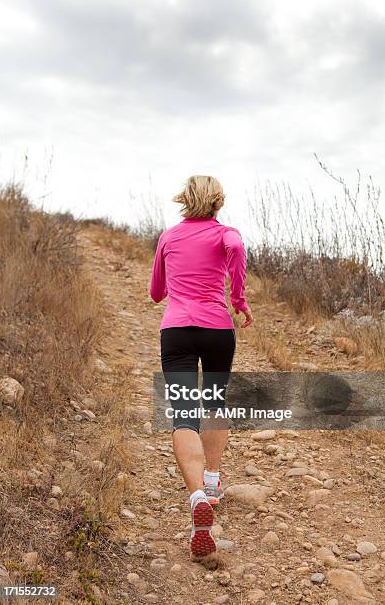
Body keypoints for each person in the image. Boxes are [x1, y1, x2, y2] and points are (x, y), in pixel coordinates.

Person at [150, 175, 253, 560]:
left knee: (183, 416)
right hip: (216, 329)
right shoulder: (225, 234)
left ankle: (196, 498)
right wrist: (238, 298)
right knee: (214, 402)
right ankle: (212, 481)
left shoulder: (168, 237)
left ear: (185, 201)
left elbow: (156, 292)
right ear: (217, 203)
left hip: (176, 330)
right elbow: (237, 246)